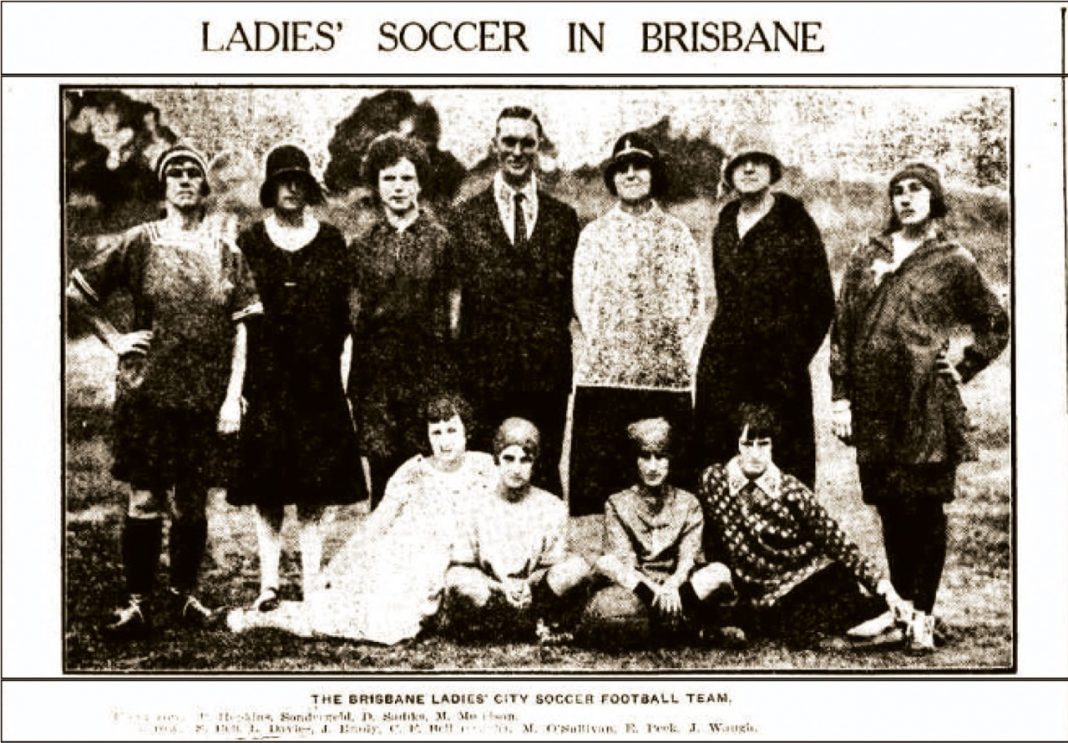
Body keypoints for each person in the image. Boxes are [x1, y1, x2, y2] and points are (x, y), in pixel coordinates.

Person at [66, 143, 261, 636]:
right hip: (147, 394)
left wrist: (233, 395)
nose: (184, 180)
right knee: (146, 498)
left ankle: (184, 597)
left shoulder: (226, 252)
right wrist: (116, 339)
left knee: (192, 501)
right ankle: (136, 603)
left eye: (192, 172)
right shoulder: (140, 241)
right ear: (163, 185)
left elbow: (243, 327)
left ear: (204, 186)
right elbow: (76, 292)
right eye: (174, 173)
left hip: (202, 397)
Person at [829, 162, 1009, 652]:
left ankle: (924, 616)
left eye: (917, 190)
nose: (906, 199)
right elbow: (842, 329)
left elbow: (995, 322)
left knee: (924, 508)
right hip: (874, 404)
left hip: (925, 402)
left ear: (934, 199)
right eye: (899, 192)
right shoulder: (868, 253)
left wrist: (965, 364)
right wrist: (841, 396)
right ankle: (902, 613)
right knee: (890, 506)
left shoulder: (953, 259)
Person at [225, 394, 497, 644]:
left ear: (467, 432)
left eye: (452, 431)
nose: (444, 441)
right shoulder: (414, 472)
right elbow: (376, 524)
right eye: (436, 432)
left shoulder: (485, 469)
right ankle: (256, 619)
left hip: (447, 562)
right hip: (404, 557)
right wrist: (336, 567)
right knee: (352, 618)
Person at [227, 144, 366, 613]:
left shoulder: (330, 240)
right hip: (267, 382)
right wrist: (238, 389)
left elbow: (344, 318)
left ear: (309, 186)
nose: (291, 188)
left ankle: (311, 582)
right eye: (283, 180)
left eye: (299, 179)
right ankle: (268, 584)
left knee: (315, 489)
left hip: (318, 380)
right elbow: (240, 317)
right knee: (267, 489)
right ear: (271, 187)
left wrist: (343, 379)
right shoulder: (250, 240)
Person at [698, 404, 910, 647]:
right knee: (776, 626)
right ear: (736, 444)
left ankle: (887, 622)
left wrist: (884, 588)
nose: (755, 454)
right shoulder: (714, 481)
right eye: (747, 444)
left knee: (810, 621)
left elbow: (837, 542)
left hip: (810, 580)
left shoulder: (791, 490)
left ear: (773, 445)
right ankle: (873, 630)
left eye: (763, 444)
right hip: (762, 594)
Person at [570, 133, 705, 515]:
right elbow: (583, 301)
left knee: (665, 488)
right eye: (622, 168)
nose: (630, 175)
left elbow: (692, 301)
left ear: (653, 174)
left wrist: (666, 348)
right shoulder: (594, 235)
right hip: (606, 381)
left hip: (664, 382)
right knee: (605, 489)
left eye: (639, 166)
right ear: (612, 178)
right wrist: (612, 347)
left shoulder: (676, 233)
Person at [448, 106, 580, 496]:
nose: (518, 151)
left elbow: (570, 297)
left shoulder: (563, 218)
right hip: (484, 374)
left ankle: (549, 555)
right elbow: (455, 299)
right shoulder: (465, 217)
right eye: (509, 141)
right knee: (485, 475)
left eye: (527, 142)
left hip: (545, 372)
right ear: (495, 146)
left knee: (543, 470)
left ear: (539, 147)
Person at [695, 136, 834, 489]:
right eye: (740, 163)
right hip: (724, 368)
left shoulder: (794, 221)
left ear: (772, 169)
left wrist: (787, 364)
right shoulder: (726, 222)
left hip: (778, 371)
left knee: (780, 473)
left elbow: (820, 304)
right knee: (721, 470)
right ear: (728, 173)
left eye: (758, 160)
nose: (749, 168)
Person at [348, 134, 454, 508]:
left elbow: (452, 313)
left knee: (429, 477)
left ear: (420, 183)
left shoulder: (442, 242)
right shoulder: (361, 246)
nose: (398, 187)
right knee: (385, 483)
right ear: (376, 185)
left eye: (406, 178)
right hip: (377, 381)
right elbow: (354, 318)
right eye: (389, 178)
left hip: (427, 375)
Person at [581, 418, 733, 647]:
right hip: (639, 591)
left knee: (719, 572)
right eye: (645, 456)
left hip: (680, 591)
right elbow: (624, 562)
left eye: (660, 457)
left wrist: (672, 586)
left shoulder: (688, 502)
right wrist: (656, 592)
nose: (653, 466)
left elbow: (688, 559)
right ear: (635, 460)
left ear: (670, 459)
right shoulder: (617, 503)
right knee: (606, 564)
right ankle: (683, 630)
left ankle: (665, 627)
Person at [444, 418, 591, 642]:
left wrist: (528, 584)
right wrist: (501, 587)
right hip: (493, 590)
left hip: (533, 591)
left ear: (534, 463)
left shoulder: (552, 506)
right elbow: (463, 565)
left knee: (576, 568)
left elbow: (552, 566)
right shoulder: (473, 504)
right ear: (497, 460)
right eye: (509, 459)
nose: (516, 468)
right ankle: (507, 623)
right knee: (458, 579)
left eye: (525, 460)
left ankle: (529, 621)